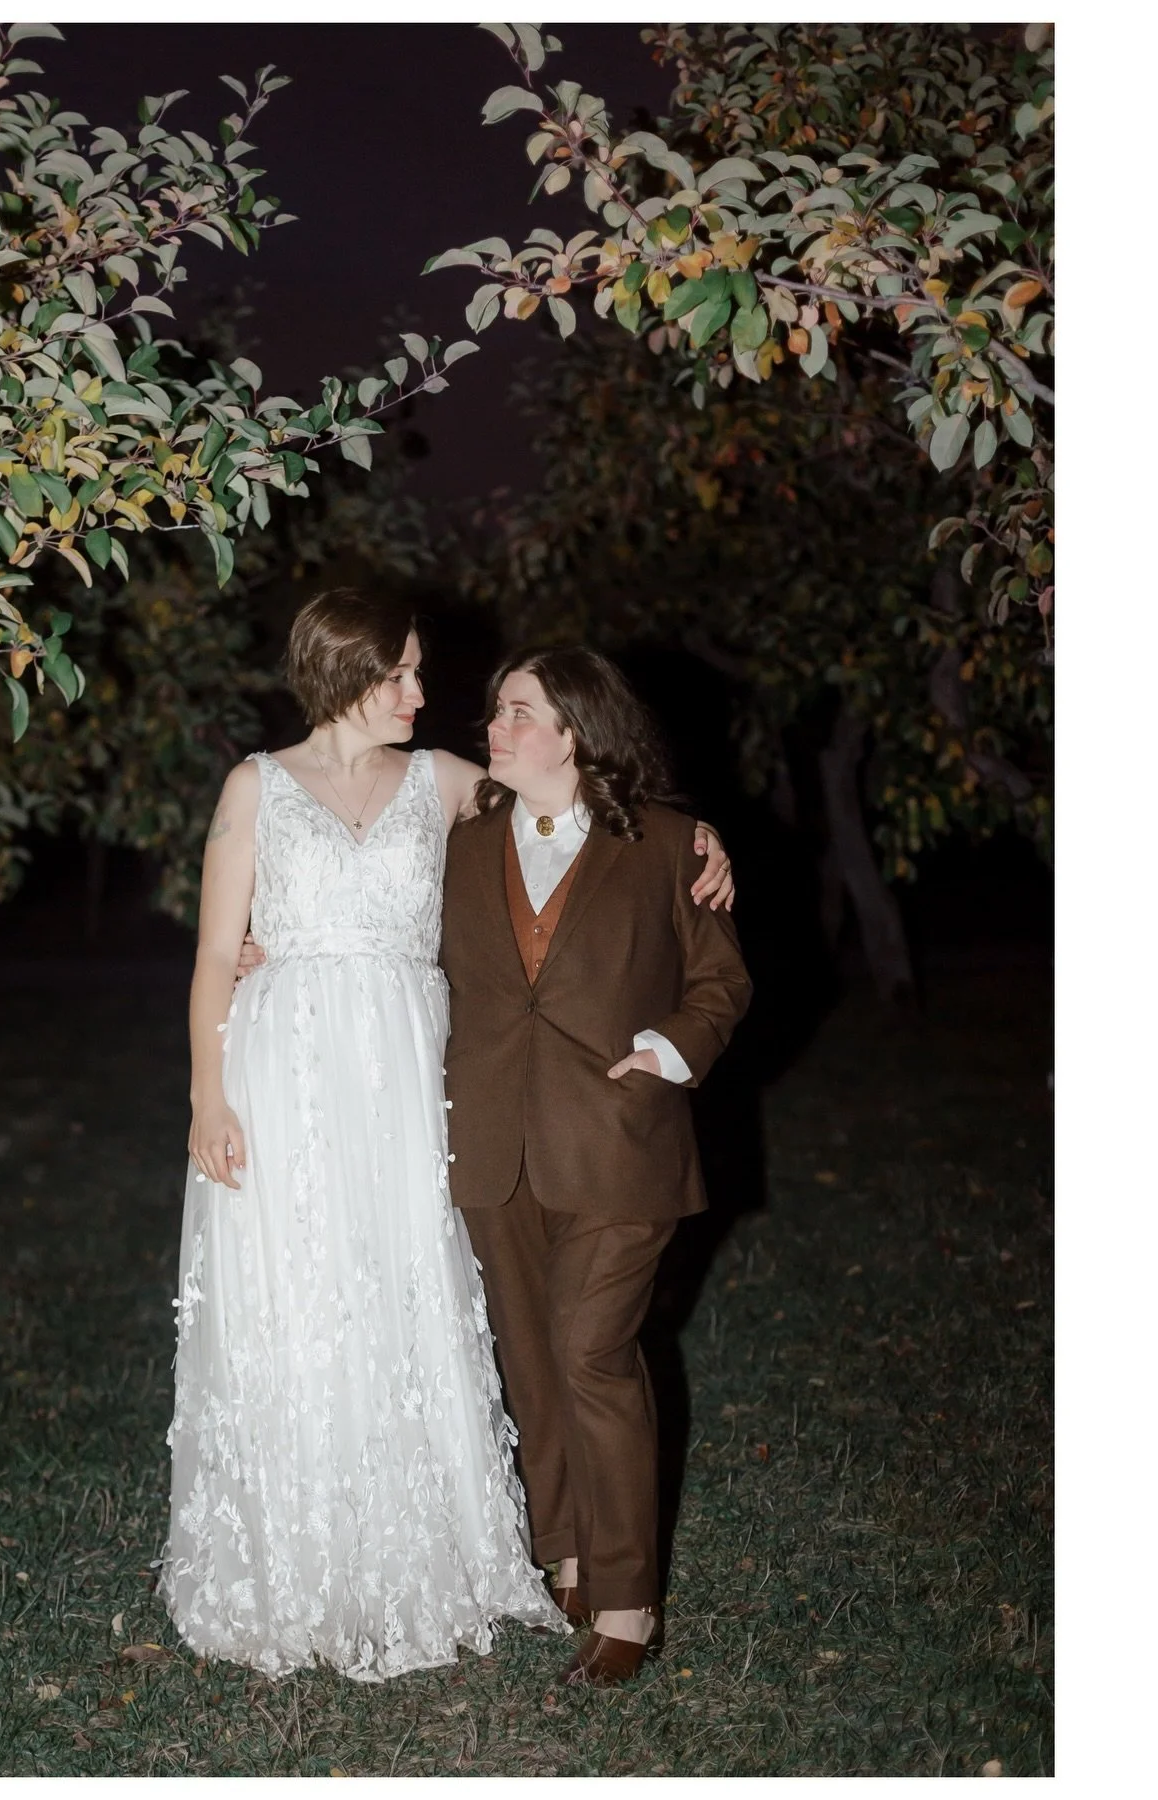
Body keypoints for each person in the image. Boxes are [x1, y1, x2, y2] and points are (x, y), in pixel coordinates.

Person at [181, 591, 738, 1683]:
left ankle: (462, 1547)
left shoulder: (445, 783)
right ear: (348, 672)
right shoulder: (254, 788)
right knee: (299, 1294)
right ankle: (299, 1548)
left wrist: (704, 840)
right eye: (402, 675)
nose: (423, 695)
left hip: (408, 1083)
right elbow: (211, 955)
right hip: (285, 1074)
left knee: (410, 1301)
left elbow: (587, 810)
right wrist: (209, 1094)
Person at [440, 646, 752, 1687]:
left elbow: (721, 985)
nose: (498, 724)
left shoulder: (667, 846)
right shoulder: (461, 842)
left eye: (520, 711)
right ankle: (566, 1556)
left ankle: (625, 1603)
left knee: (591, 1353)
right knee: (531, 1361)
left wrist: (665, 1055)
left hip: (620, 1143)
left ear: (574, 732)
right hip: (493, 1142)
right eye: (496, 709)